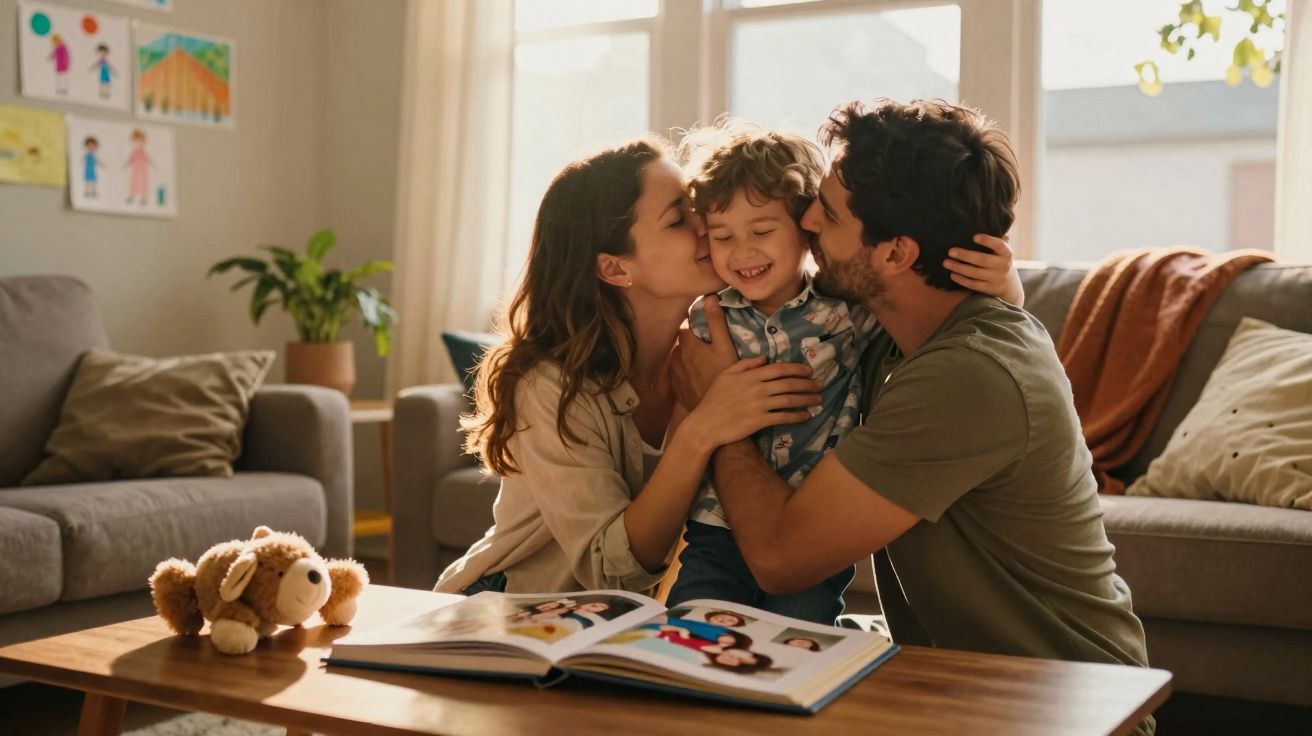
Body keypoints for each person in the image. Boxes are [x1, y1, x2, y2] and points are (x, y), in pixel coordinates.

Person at [673, 99, 1153, 734]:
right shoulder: (896, 336)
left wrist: (721, 409)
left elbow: (781, 559)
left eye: (831, 213)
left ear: (897, 253)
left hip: (1054, 710)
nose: (808, 220)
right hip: (961, 691)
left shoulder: (966, 375)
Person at [666, 119, 1021, 623]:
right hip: (715, 526)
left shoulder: (853, 313)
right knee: (690, 634)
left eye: (825, 217)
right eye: (722, 236)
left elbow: (952, 317)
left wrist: (1006, 290)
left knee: (798, 643)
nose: (812, 222)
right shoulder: (709, 316)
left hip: (806, 519)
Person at [434, 137, 822, 597]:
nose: (710, 223)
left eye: (697, 205)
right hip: (506, 615)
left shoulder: (717, 347)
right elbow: (610, 570)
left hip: (622, 628)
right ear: (615, 269)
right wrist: (702, 427)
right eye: (680, 219)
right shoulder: (549, 387)